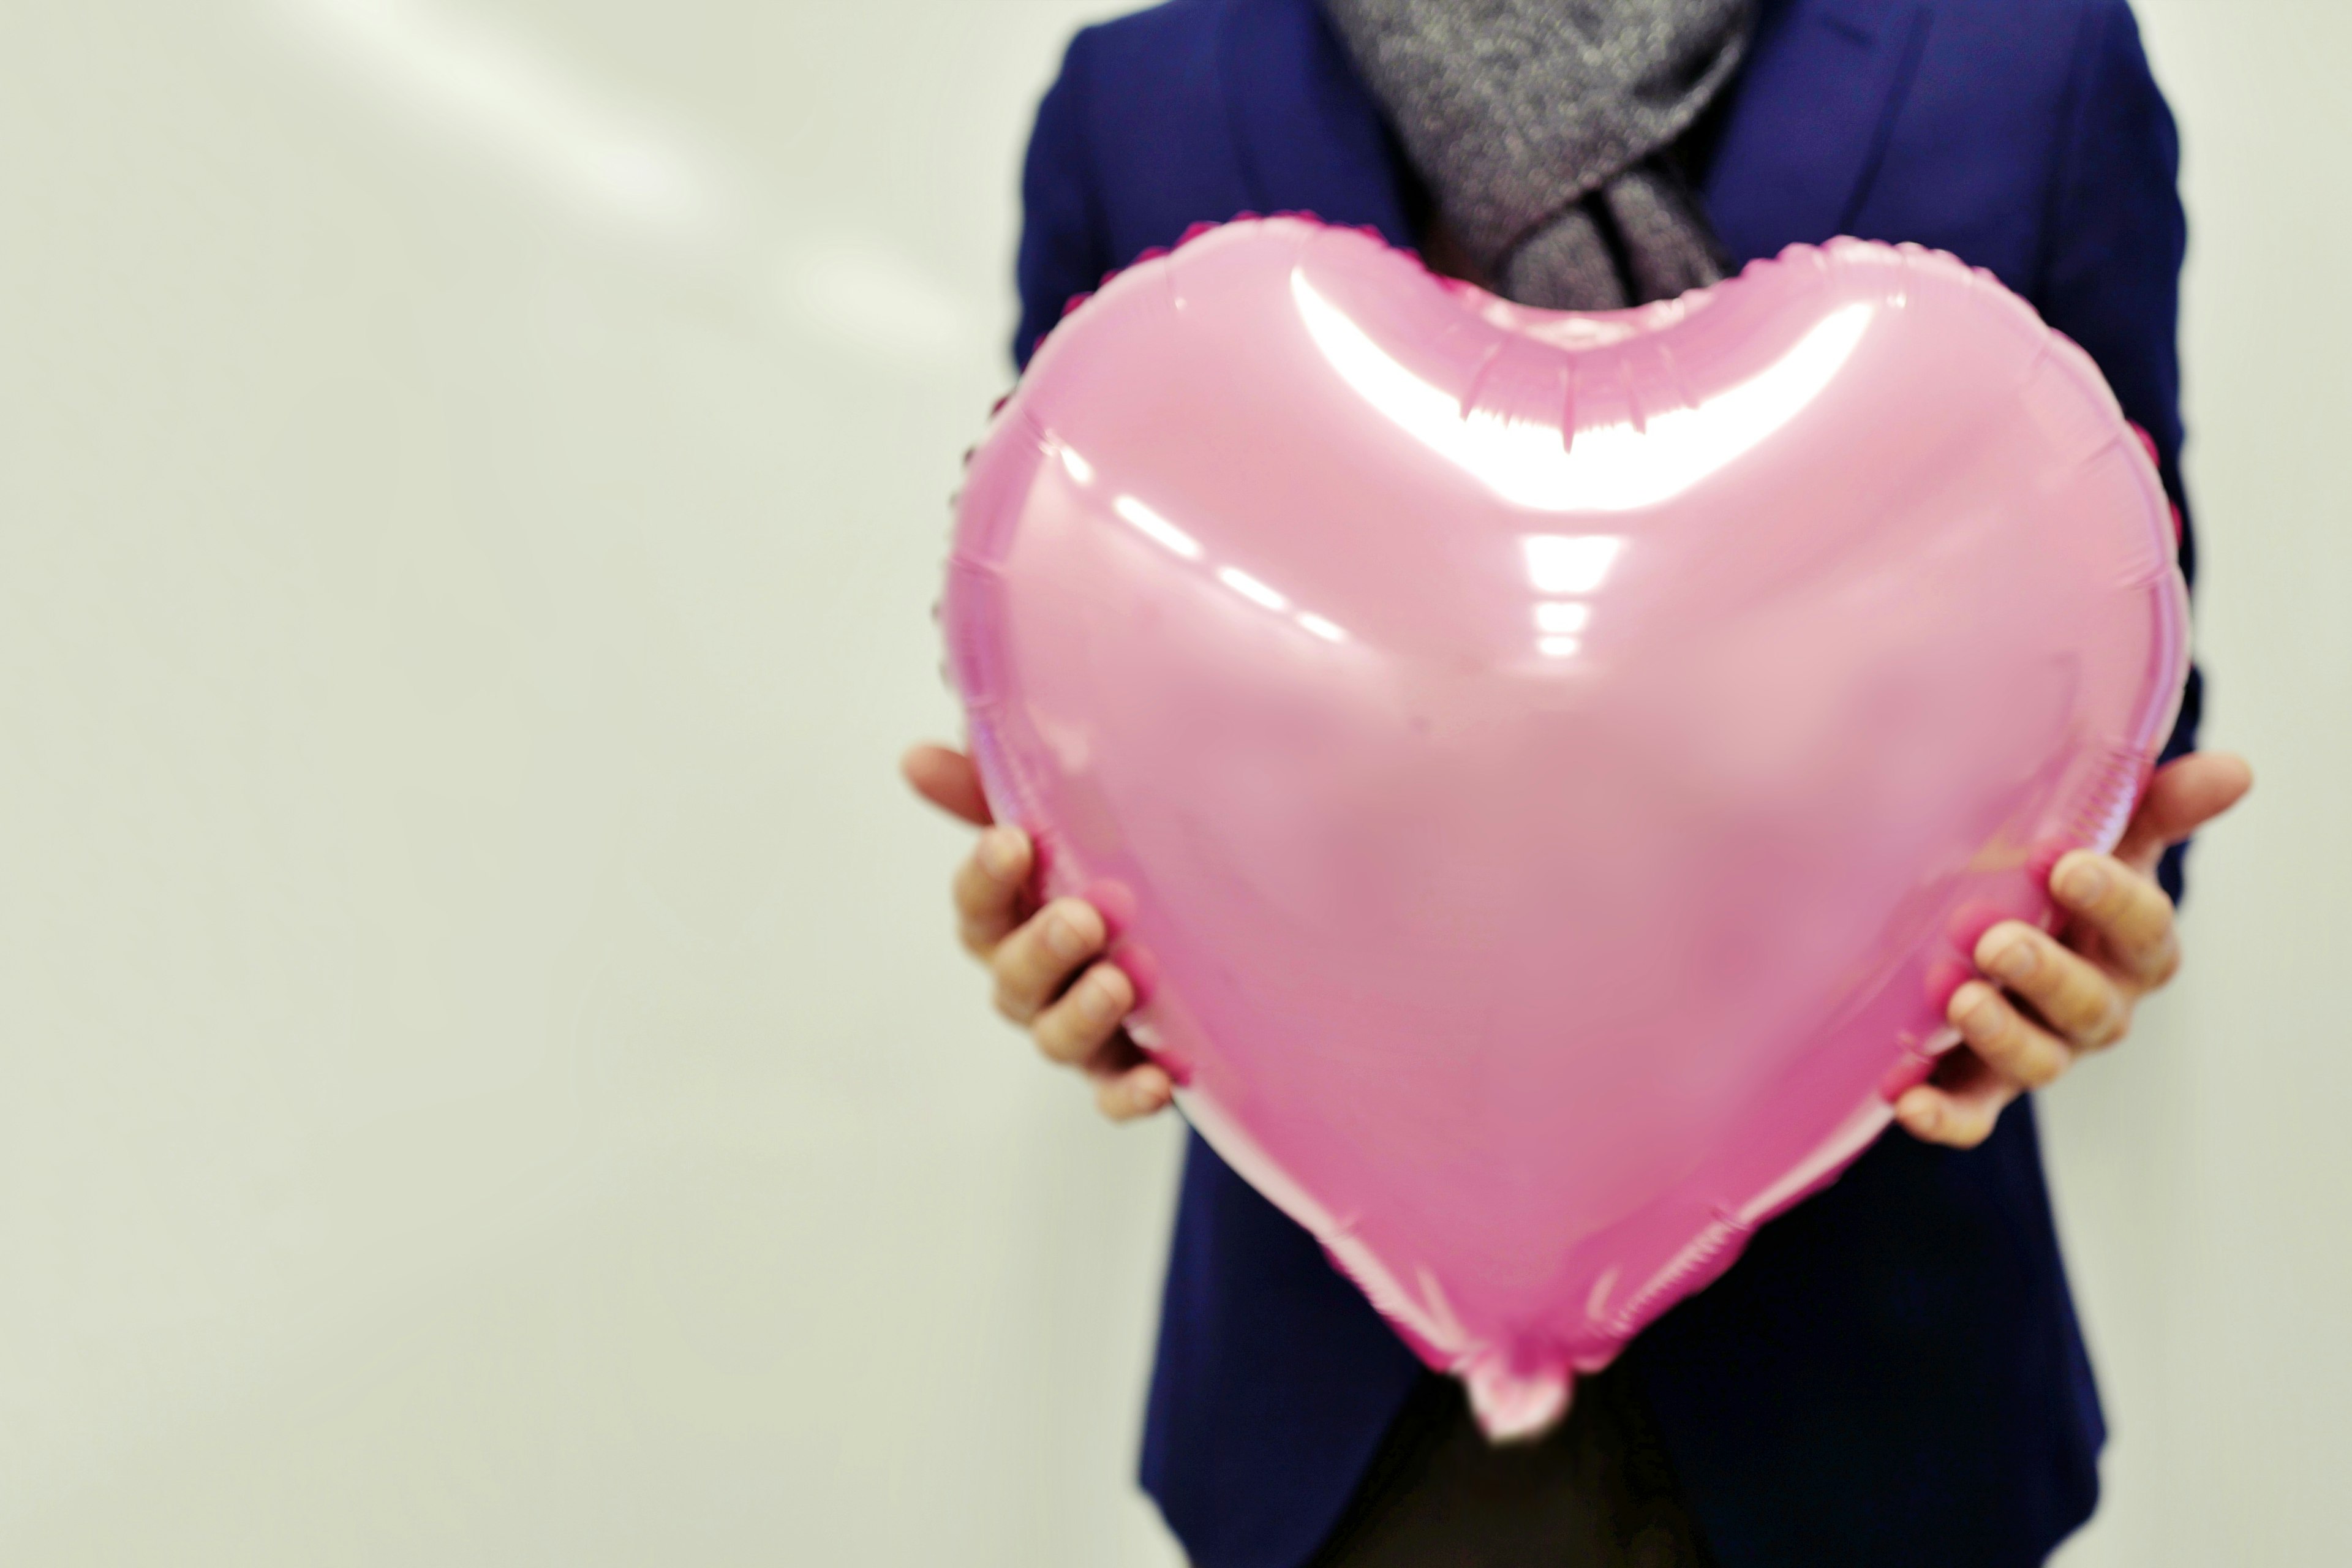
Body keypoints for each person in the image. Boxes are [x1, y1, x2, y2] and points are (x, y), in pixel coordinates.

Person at [905, 1, 2254, 1562]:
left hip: (1876, 1383)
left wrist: (2095, 926)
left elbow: (2121, 690)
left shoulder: (2033, 63)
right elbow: (1077, 666)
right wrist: (1064, 926)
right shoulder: (1137, 98)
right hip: (1347, 1425)